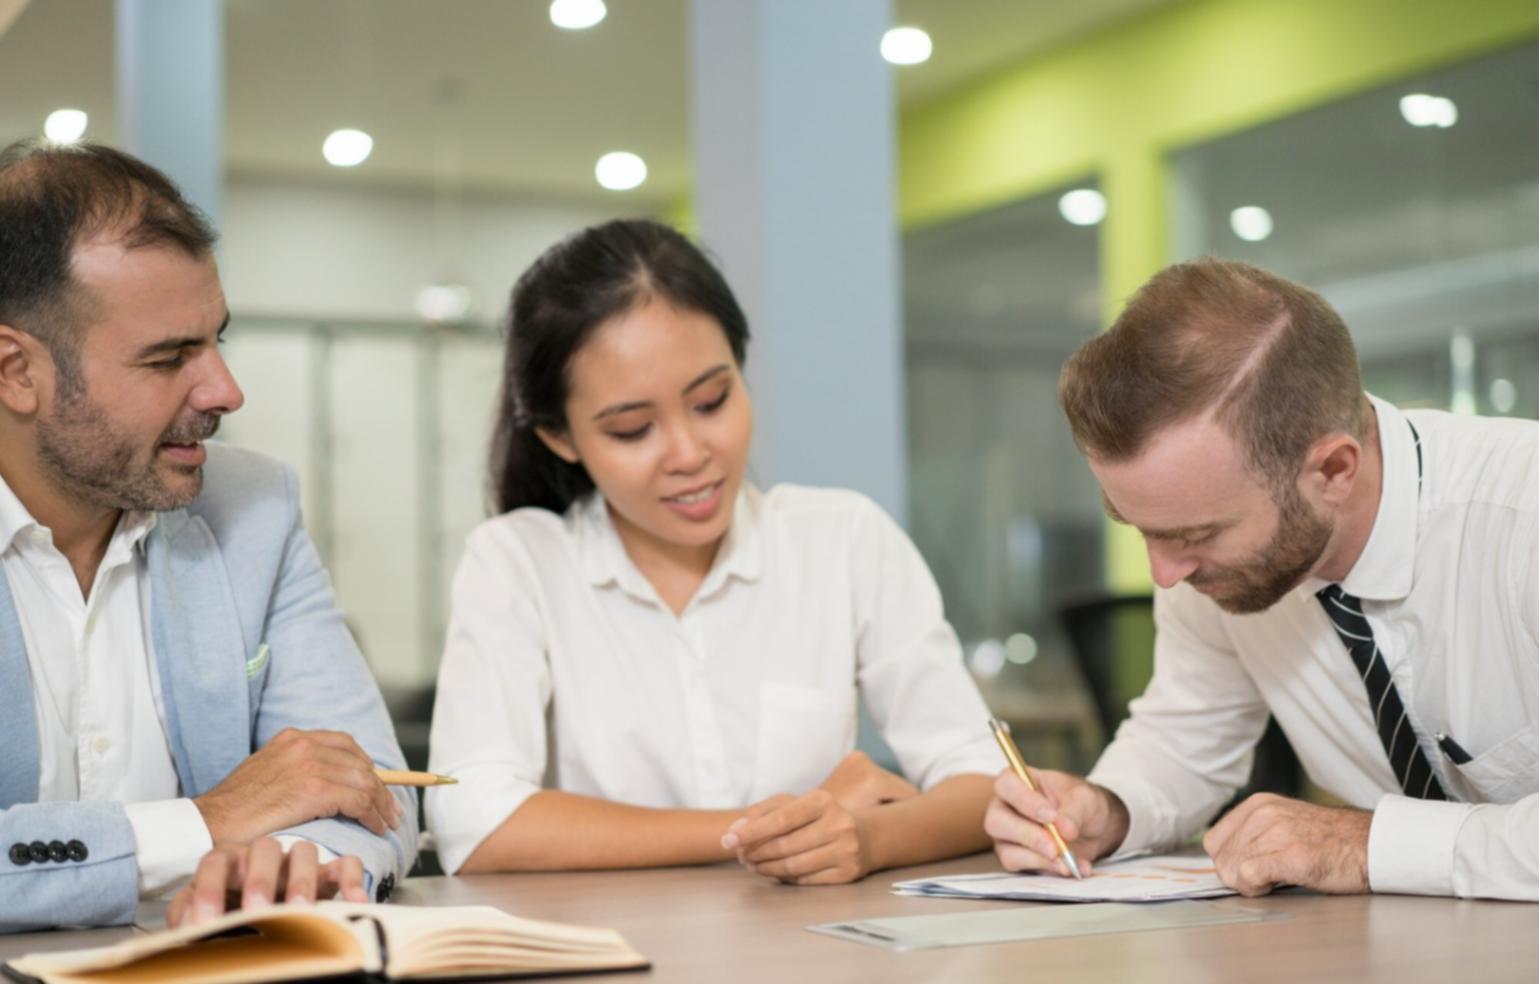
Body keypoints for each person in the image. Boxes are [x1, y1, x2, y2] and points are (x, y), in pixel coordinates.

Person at [427, 219, 998, 883]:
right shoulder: (518, 564)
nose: (690, 454)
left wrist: (866, 836)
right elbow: (476, 823)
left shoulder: (841, 539)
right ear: (560, 436)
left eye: (710, 401)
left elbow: (984, 777)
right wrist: (767, 827)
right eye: (633, 429)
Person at [986, 258, 1539, 901]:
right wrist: (1106, 809)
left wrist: (1364, 846)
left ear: (1333, 469)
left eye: (1197, 535)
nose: (1164, 575)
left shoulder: (1520, 518)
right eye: (1138, 527)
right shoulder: (1212, 564)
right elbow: (1186, 739)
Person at [0, 140, 417, 933]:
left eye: (216, 339)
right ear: (15, 369)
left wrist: (291, 863)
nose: (225, 390)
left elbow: (379, 785)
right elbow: (235, 813)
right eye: (168, 359)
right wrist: (204, 824)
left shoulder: (253, 505)